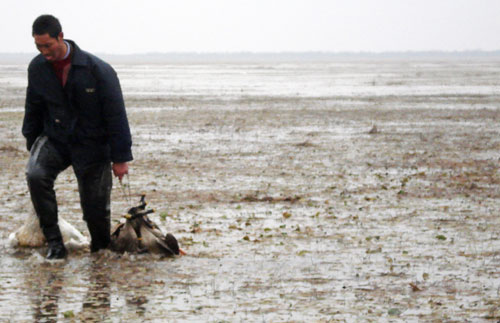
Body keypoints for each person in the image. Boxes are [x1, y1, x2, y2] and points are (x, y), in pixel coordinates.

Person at [22, 15, 133, 259]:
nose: (44, 52)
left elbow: (116, 115)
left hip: (92, 143)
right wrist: (33, 144)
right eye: (38, 47)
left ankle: (100, 249)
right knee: (35, 174)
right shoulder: (37, 68)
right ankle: (54, 243)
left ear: (60, 37)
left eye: (48, 46)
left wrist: (120, 158)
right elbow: (33, 107)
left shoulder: (97, 70)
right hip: (56, 139)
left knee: (95, 208)